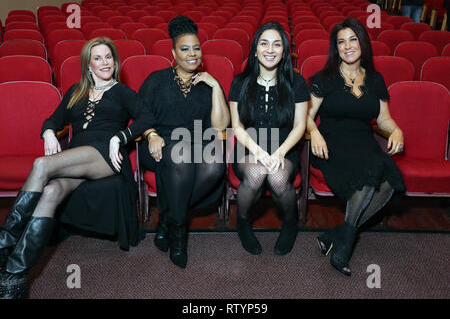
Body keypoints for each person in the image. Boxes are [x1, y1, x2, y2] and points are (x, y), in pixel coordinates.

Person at [0, 37, 153, 298]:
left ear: (114, 62)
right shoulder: (75, 91)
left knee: (41, 165)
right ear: (88, 64)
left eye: (109, 57)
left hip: (106, 156)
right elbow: (53, 119)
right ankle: (15, 276)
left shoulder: (122, 92)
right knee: (50, 192)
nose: (105, 62)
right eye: (98, 58)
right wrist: (48, 132)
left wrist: (120, 137)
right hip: (77, 157)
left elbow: (148, 117)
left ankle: (4, 244)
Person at [307, 18, 406, 276]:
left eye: (353, 39)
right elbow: (304, 116)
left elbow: (383, 119)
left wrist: (395, 129)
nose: (347, 46)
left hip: (364, 141)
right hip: (331, 143)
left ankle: (338, 235)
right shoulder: (324, 78)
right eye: (341, 42)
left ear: (363, 43)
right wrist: (314, 132)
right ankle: (343, 250)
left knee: (389, 182)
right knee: (367, 176)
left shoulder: (375, 79)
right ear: (335, 48)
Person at [138, 16, 230, 268]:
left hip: (198, 146)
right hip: (160, 146)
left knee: (215, 165)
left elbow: (221, 126)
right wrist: (150, 135)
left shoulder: (209, 84)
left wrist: (215, 87)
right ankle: (179, 237)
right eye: (185, 48)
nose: (192, 54)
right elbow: (140, 115)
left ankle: (167, 218)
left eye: (197, 48)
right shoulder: (156, 80)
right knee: (181, 155)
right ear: (173, 52)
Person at [228, 22, 310, 256]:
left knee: (276, 176)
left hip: (285, 146)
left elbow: (299, 126)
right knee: (256, 173)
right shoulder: (240, 82)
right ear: (255, 49)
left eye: (277, 44)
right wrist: (260, 153)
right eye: (264, 44)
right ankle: (243, 223)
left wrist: (280, 152)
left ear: (284, 50)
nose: (270, 49)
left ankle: (290, 222)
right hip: (248, 147)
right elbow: (238, 127)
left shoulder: (297, 83)